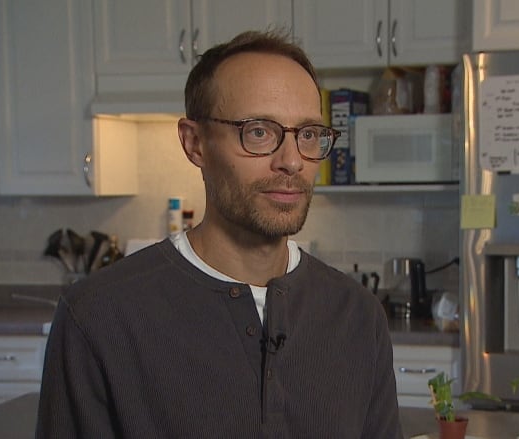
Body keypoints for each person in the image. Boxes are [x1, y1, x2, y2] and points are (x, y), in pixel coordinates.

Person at [35, 29, 403, 438]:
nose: (292, 161)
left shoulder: (357, 316)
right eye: (259, 132)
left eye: (308, 134)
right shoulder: (98, 316)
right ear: (195, 143)